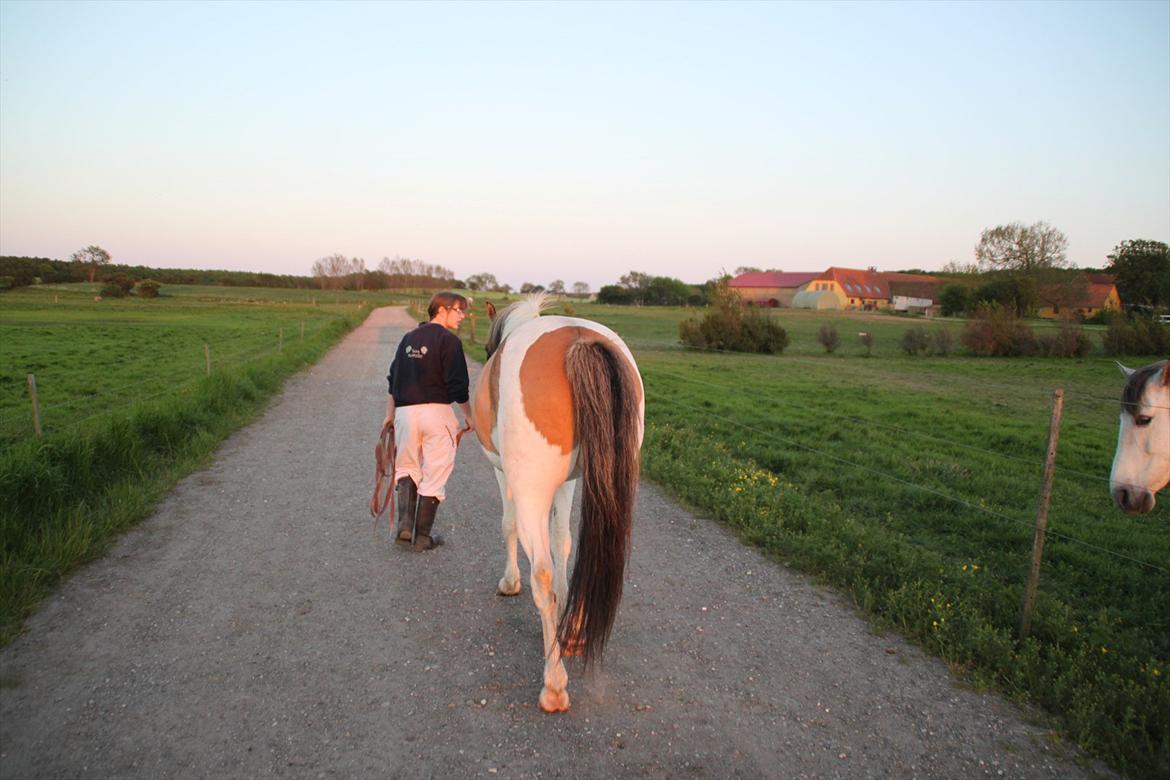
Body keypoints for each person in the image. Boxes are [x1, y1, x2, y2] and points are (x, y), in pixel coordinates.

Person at [384, 291, 474, 551]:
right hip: (437, 413)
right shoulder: (449, 342)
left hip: (405, 413)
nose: (463, 315)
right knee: (436, 471)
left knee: (406, 466)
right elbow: (458, 387)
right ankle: (422, 537)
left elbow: (392, 380)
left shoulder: (408, 339)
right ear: (442, 310)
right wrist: (468, 416)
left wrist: (389, 416)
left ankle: (404, 526)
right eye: (459, 310)